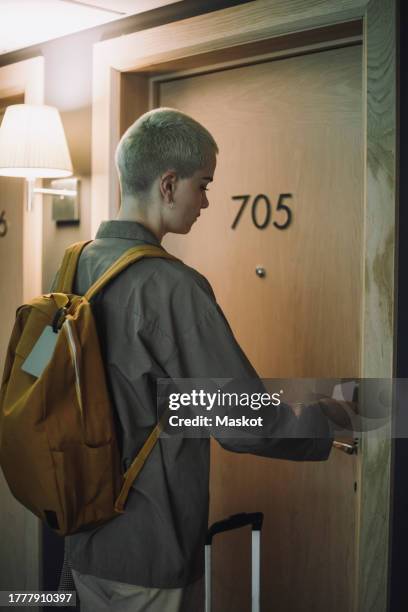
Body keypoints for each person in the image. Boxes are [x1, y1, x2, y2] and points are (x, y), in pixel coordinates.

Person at [56, 108, 354, 611]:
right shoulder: (172, 287)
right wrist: (335, 416)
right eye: (203, 184)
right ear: (168, 185)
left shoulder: (72, 265)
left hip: (82, 536)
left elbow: (157, 399)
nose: (207, 201)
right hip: (149, 550)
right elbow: (243, 422)